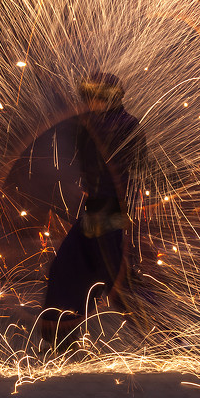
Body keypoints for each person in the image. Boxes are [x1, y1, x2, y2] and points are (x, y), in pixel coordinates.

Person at [41, 72, 147, 350]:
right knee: (81, 273)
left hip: (108, 208)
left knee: (100, 275)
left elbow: (130, 166)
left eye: (93, 96)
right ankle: (61, 340)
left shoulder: (120, 124)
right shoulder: (99, 122)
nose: (88, 101)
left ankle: (163, 335)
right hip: (99, 207)